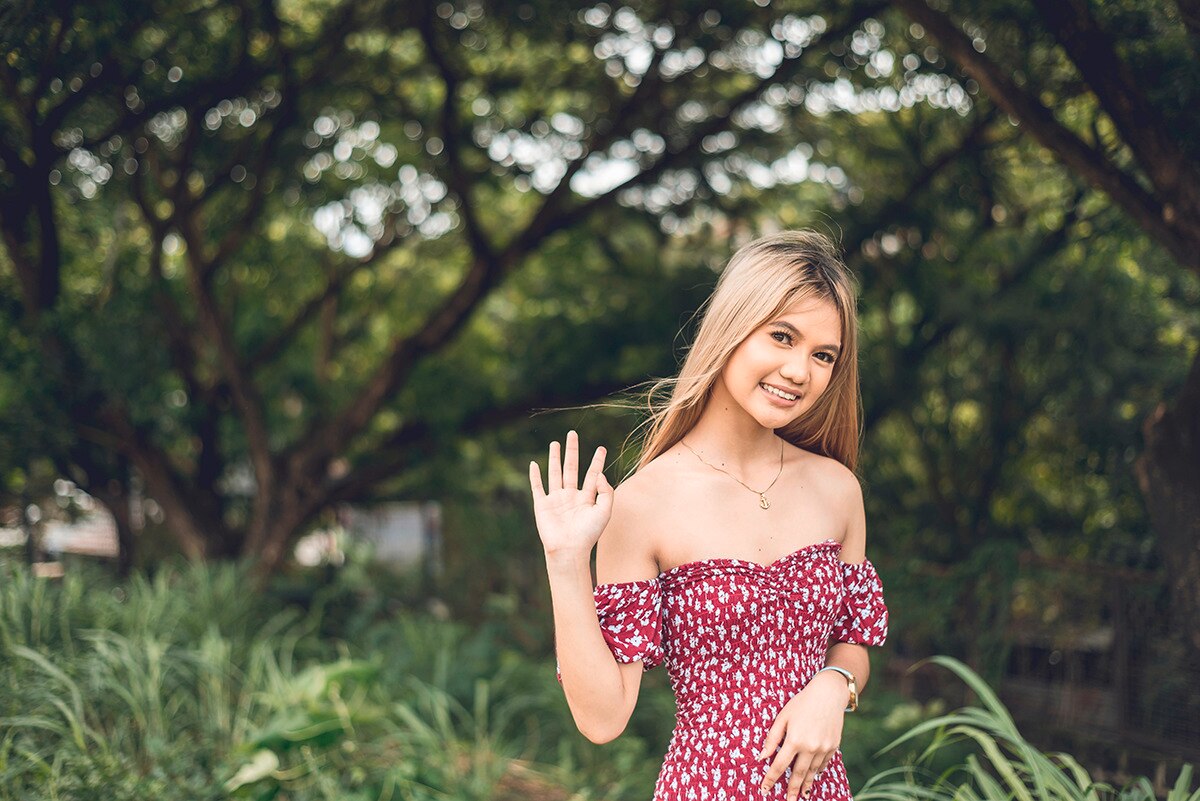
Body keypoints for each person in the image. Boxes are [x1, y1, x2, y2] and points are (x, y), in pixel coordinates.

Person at [529, 230, 889, 801]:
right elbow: (602, 720)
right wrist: (565, 561)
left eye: (824, 355)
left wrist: (832, 684)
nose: (800, 371)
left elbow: (853, 640)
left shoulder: (837, 489)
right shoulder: (644, 503)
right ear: (731, 329)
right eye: (782, 336)